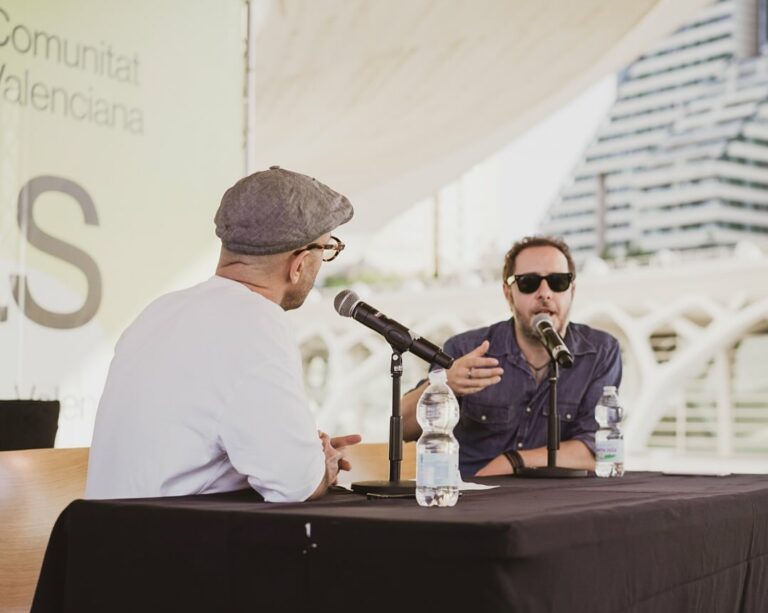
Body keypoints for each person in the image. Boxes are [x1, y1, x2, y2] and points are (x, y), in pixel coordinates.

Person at [86, 166, 361, 502]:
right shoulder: (257, 322)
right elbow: (294, 485)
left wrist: (299, 448)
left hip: (105, 539)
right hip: (168, 548)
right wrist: (323, 466)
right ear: (299, 263)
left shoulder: (160, 311)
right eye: (328, 249)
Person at [401, 236, 622, 478]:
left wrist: (513, 461)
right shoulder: (465, 348)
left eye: (558, 282)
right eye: (528, 283)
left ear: (572, 291)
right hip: (473, 501)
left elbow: (600, 448)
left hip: (557, 504)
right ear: (508, 294)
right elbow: (403, 427)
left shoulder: (601, 351)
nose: (545, 293)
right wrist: (444, 384)